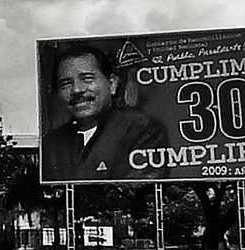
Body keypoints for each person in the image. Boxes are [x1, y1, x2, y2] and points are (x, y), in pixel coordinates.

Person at [40, 44, 169, 181]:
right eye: (66, 83)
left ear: (112, 84)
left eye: (87, 79)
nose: (77, 90)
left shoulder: (140, 128)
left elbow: (137, 189)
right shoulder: (51, 144)